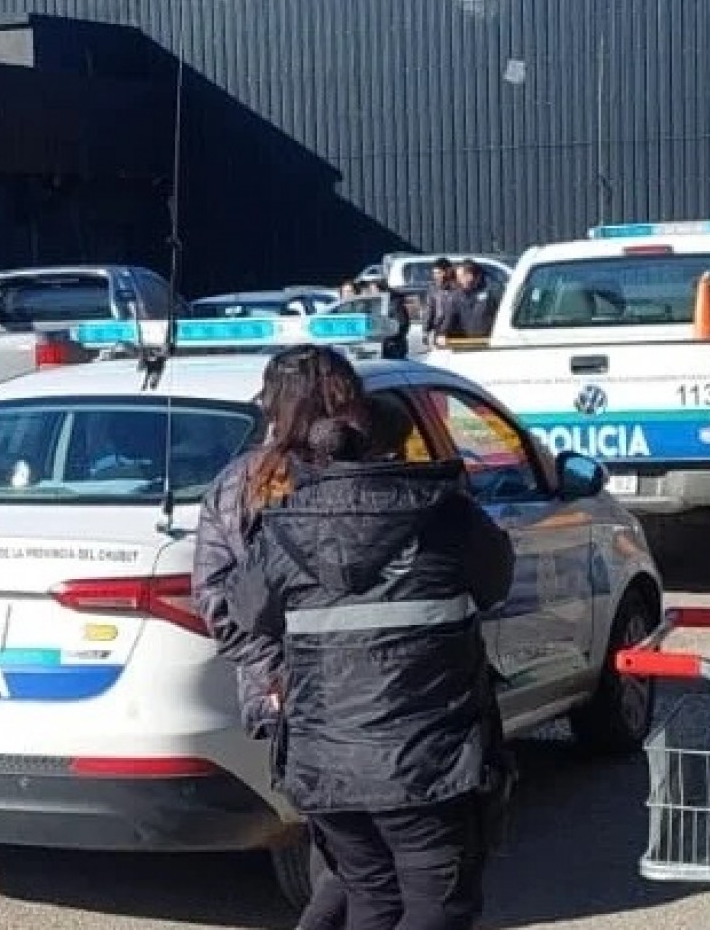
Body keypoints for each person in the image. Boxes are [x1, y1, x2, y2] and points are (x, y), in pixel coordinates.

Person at [218, 356, 516, 930]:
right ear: (393, 445)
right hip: (428, 756)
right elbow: (496, 581)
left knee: (370, 895)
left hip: (325, 756)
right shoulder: (445, 515)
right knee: (439, 903)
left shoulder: (285, 525)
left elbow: (247, 610)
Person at [194, 346, 369, 930]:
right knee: (353, 858)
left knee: (349, 851)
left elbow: (219, 601)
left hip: (339, 691)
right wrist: (284, 673)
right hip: (333, 693)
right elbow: (222, 603)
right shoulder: (248, 485)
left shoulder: (245, 481)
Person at [449, 259, 501, 340]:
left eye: (460, 277)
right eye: (457, 277)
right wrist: (443, 333)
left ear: (470, 276)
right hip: (465, 343)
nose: (458, 281)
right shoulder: (457, 296)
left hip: (488, 342)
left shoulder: (491, 292)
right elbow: (451, 319)